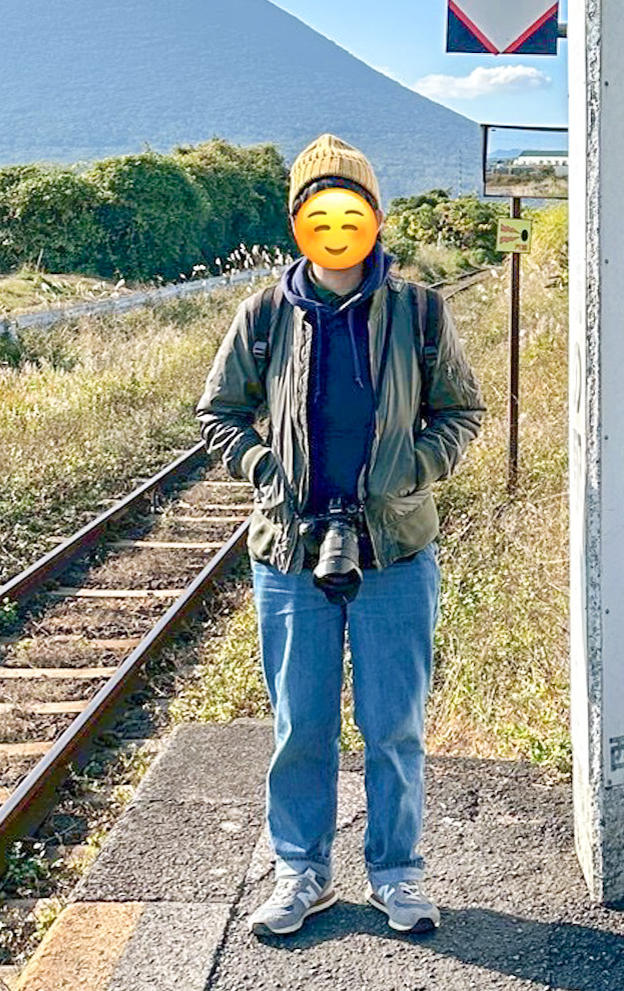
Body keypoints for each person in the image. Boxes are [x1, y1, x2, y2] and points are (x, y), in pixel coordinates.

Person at [197, 135, 484, 938]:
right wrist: (262, 467)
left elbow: (462, 410)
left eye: (348, 208)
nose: (334, 225)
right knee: (301, 721)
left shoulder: (419, 309)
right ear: (297, 221)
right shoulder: (263, 314)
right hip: (290, 551)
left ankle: (397, 873)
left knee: (394, 723)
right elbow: (217, 415)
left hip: (393, 547)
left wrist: (412, 469)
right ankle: (302, 871)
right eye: (316, 210)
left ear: (375, 218)